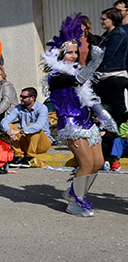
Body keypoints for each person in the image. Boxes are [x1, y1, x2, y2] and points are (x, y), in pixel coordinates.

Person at [42, 15, 116, 217]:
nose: (73, 56)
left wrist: (103, 113)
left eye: (76, 52)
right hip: (71, 122)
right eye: (69, 53)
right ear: (60, 54)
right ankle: (75, 202)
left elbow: (88, 96)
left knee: (98, 162)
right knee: (86, 164)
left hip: (86, 120)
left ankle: (74, 191)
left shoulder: (78, 70)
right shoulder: (56, 76)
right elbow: (78, 80)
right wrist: (96, 61)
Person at [0, 87, 51, 168]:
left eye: (24, 97)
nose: (21, 99)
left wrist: (20, 131)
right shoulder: (19, 108)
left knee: (32, 126)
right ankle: (19, 155)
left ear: (32, 98)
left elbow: (39, 126)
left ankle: (30, 156)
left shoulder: (42, 108)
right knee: (10, 126)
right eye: (21, 96)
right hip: (27, 141)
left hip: (42, 143)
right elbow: (4, 121)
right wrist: (8, 131)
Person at [95, 7, 127, 125]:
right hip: (105, 76)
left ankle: (123, 135)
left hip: (115, 75)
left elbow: (107, 55)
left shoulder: (118, 34)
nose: (101, 21)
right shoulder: (106, 35)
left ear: (112, 20)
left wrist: (92, 67)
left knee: (119, 109)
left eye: (104, 19)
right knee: (108, 109)